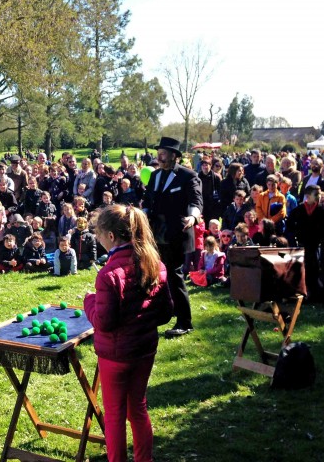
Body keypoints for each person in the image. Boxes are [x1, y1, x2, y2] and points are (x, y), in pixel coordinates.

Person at [83, 204, 172, 462]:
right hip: (144, 350)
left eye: (98, 235)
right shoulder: (156, 264)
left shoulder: (108, 274)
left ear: (111, 236)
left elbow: (105, 322)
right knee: (138, 408)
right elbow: (166, 313)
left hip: (116, 356)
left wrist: (89, 302)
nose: (98, 240)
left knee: (114, 415)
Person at [142, 137, 202, 337]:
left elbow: (195, 200)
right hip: (155, 232)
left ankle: (185, 322)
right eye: (159, 152)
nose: (160, 155)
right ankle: (165, 312)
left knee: (175, 276)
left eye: (164, 152)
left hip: (177, 232)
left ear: (174, 156)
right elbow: (149, 200)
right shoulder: (155, 175)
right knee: (157, 274)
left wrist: (193, 217)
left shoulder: (188, 175)